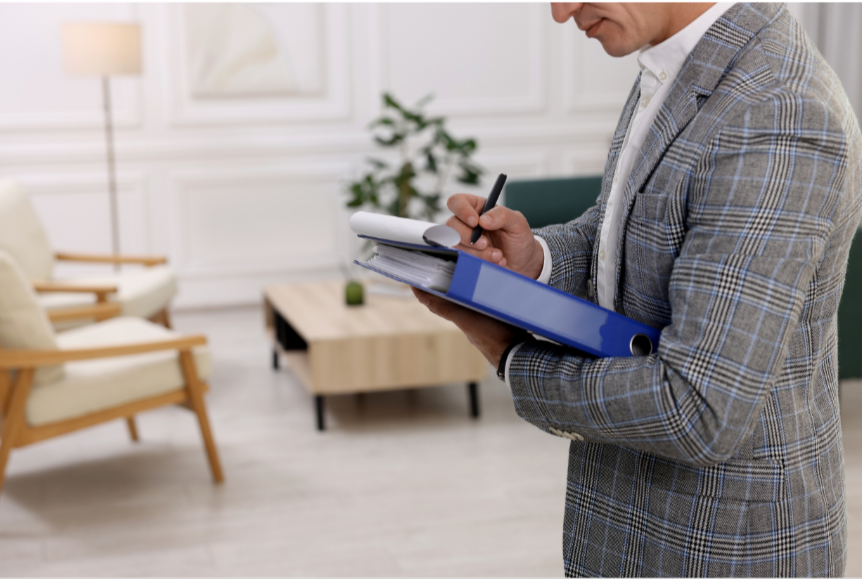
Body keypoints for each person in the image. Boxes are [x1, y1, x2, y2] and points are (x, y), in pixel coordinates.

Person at [412, 1, 862, 578]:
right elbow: (624, 227)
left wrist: (509, 354)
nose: (560, 11)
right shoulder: (679, 60)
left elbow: (698, 407)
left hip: (719, 554)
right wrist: (535, 261)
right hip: (629, 530)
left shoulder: (777, 112)